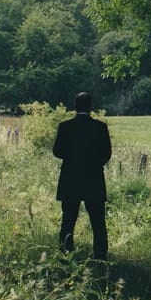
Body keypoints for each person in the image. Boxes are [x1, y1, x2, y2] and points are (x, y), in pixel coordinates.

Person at [53, 91, 112, 264]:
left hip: (70, 179)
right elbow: (106, 154)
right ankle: (100, 258)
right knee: (98, 223)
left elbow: (57, 151)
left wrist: (72, 159)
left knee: (68, 220)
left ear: (75, 106)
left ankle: (66, 255)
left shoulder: (65, 126)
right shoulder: (101, 127)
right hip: (94, 179)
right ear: (91, 107)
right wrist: (93, 164)